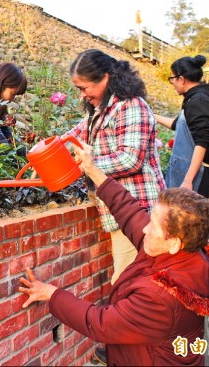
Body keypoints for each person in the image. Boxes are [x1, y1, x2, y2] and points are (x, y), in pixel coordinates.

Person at [18, 140, 209, 366]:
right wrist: (91, 169)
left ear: (175, 243)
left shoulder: (161, 297)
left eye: (153, 226)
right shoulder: (185, 252)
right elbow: (129, 211)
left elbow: (101, 323)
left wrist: (52, 294)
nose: (145, 229)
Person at [63, 49, 165, 285]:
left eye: (85, 87)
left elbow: (130, 159)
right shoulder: (101, 110)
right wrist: (45, 150)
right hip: (118, 208)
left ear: (106, 78)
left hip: (137, 209)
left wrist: (87, 166)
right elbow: (72, 137)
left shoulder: (131, 106)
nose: (82, 95)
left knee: (129, 281)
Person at [154, 55, 209, 198]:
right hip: (188, 173)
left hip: (193, 177)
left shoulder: (199, 101)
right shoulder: (195, 99)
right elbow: (178, 125)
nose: (173, 83)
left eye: (172, 79)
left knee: (188, 219)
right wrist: (153, 116)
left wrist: (188, 180)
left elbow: (202, 142)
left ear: (181, 79)